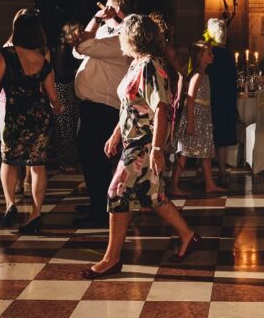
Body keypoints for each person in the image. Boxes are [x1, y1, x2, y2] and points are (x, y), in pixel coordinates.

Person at [82, 14, 199, 279]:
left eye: (123, 33)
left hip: (144, 144)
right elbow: (130, 106)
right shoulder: (136, 64)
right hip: (133, 141)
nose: (120, 37)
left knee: (116, 193)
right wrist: (115, 135)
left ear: (134, 36)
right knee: (153, 195)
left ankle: (111, 258)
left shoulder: (150, 66)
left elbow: (161, 109)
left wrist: (157, 150)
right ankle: (187, 235)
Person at [0, 10, 62, 233]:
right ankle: (35, 214)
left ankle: (10, 204)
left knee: (9, 161)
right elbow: (52, 97)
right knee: (37, 166)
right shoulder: (44, 60)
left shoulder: (7, 54)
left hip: (15, 116)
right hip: (39, 116)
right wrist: (59, 109)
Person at [72, 0, 134, 227]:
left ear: (116, 10)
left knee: (96, 160)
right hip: (92, 106)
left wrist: (97, 19)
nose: (103, 9)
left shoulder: (123, 38)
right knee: (90, 159)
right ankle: (96, 204)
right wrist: (100, 24)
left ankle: (101, 213)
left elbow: (84, 45)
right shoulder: (109, 33)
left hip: (103, 107)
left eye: (108, 6)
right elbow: (77, 50)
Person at [168, 41, 227, 196]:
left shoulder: (204, 75)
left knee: (205, 151)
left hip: (203, 117)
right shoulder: (197, 76)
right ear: (201, 57)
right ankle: (173, 185)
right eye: (209, 53)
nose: (212, 56)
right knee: (184, 153)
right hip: (195, 117)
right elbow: (191, 98)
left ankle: (210, 184)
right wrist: (191, 123)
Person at [205, 18, 239, 187]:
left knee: (208, 136)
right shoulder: (227, 55)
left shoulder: (208, 53)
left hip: (210, 99)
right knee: (222, 138)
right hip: (224, 99)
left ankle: (205, 173)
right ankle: (222, 172)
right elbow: (233, 80)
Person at [50, 21, 82, 172]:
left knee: (71, 125)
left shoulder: (75, 48)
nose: (81, 33)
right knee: (64, 126)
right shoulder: (63, 49)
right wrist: (77, 72)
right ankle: (65, 161)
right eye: (78, 31)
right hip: (62, 89)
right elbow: (60, 72)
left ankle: (72, 159)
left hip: (71, 89)